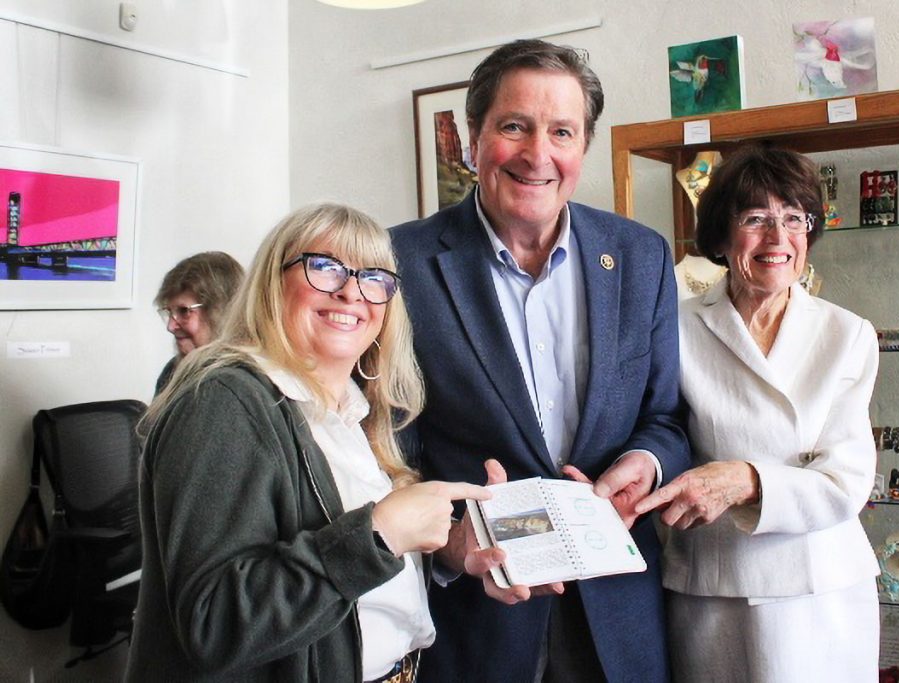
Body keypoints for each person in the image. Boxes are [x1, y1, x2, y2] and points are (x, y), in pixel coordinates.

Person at [391, 39, 689, 683]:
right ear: (473, 140)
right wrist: (448, 542)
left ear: (582, 147)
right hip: (477, 615)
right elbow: (389, 452)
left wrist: (645, 461)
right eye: (514, 127)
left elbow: (665, 415)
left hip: (617, 609)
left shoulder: (640, 256)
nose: (538, 154)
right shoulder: (401, 264)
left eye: (562, 131)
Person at [125, 203, 489, 682]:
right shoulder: (223, 402)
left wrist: (449, 550)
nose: (350, 291)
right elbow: (214, 624)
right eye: (324, 267)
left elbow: (358, 586)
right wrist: (379, 535)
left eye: (373, 276)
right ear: (272, 284)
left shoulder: (353, 411)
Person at [635, 145, 880, 682]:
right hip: (713, 583)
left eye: (795, 218)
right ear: (721, 236)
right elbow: (655, 433)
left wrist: (748, 482)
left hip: (821, 586)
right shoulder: (672, 328)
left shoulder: (847, 334)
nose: (778, 239)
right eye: (756, 219)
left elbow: (846, 481)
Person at [153, 251, 244, 393]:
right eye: (169, 312)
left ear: (221, 312)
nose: (170, 326)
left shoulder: (227, 388)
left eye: (184, 311)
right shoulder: (172, 372)